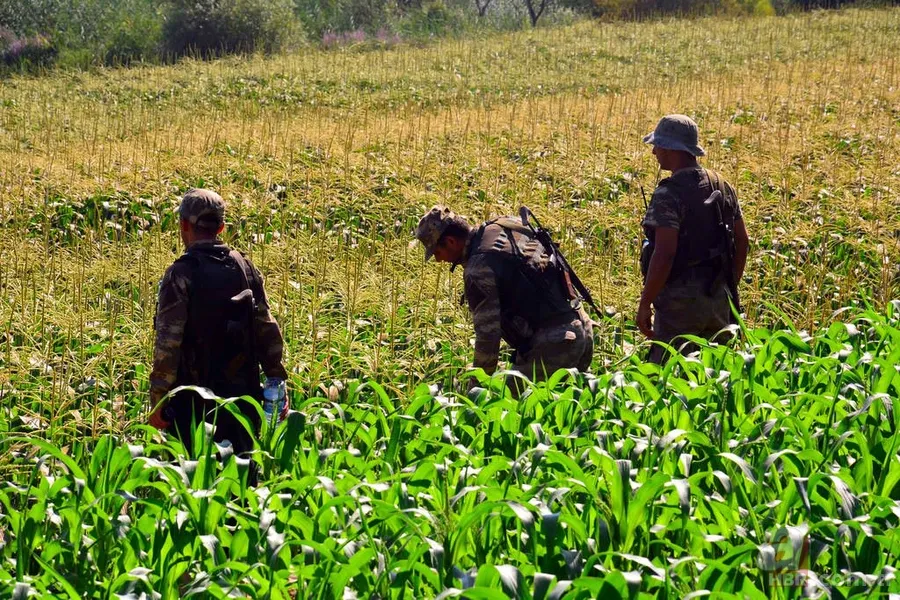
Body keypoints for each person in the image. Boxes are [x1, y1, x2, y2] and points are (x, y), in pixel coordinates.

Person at [148, 188, 288, 463]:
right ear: (222, 227)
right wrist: (276, 381)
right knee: (242, 481)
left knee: (193, 482)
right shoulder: (244, 267)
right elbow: (267, 330)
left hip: (192, 406)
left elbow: (168, 344)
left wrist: (159, 401)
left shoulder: (181, 274)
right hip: (243, 402)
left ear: (184, 225)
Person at [415, 205, 593, 392]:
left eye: (436, 252)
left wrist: (475, 391)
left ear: (451, 242)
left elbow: (488, 338)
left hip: (554, 346)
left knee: (510, 410)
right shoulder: (505, 225)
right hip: (582, 329)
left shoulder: (478, 270)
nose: (438, 260)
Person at [638, 114, 750, 363]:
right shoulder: (721, 185)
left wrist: (645, 303)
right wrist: (729, 285)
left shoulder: (668, 194)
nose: (654, 151)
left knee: (666, 375)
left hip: (680, 304)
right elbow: (743, 241)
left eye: (658, 145)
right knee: (717, 372)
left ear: (672, 149)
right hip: (719, 297)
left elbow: (665, 253)